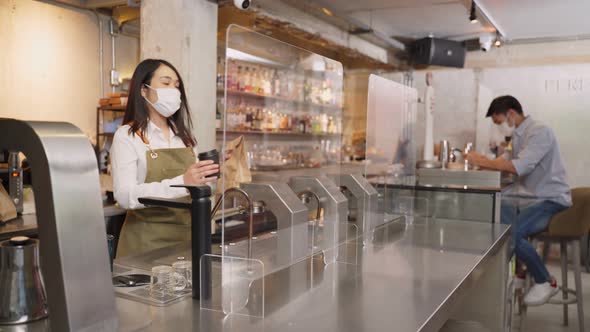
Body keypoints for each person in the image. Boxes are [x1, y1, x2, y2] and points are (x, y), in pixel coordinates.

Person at [467, 95, 572, 306]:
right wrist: (482, 162)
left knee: (509, 232)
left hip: (550, 199)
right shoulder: (518, 136)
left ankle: (545, 281)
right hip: (530, 197)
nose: (498, 128)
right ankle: (519, 271)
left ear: (511, 114)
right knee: (498, 213)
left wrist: (485, 162)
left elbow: (518, 166)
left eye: (498, 123)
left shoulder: (539, 132)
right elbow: (503, 161)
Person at [111, 59, 219, 257]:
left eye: (177, 85)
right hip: (145, 244)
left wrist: (210, 175)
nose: (174, 90)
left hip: (186, 241)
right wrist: (183, 182)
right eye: (166, 83)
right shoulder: (127, 136)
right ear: (144, 90)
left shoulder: (185, 138)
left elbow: (203, 191)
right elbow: (125, 196)